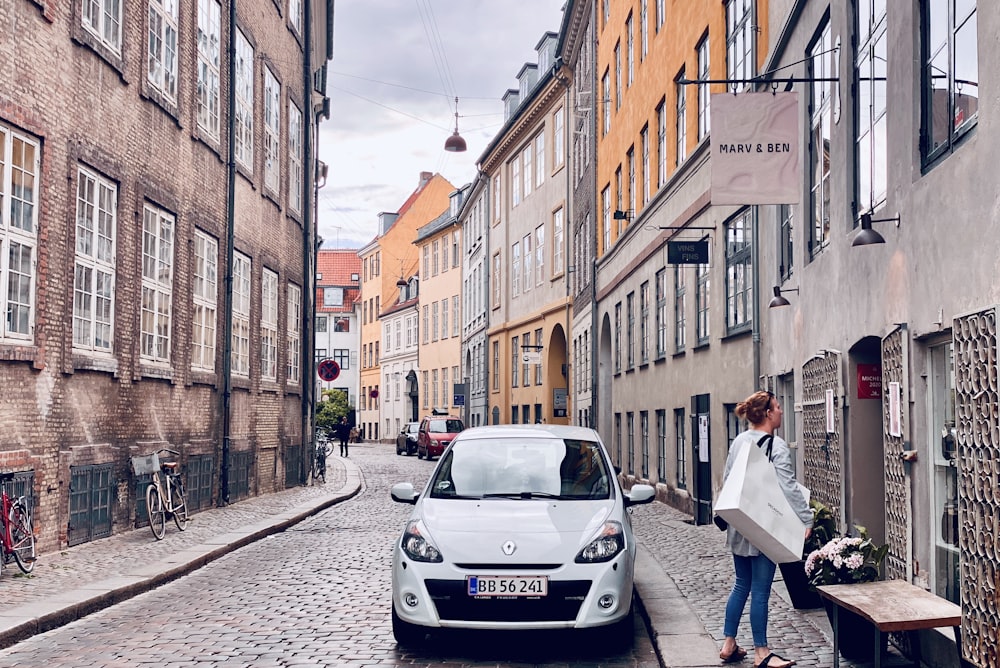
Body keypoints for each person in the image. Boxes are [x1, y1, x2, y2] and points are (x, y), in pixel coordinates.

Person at [719, 390, 812, 668]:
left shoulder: (739, 442)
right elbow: (788, 487)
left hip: (740, 523)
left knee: (740, 585)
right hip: (764, 527)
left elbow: (728, 480)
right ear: (768, 413)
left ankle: (728, 643)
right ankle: (762, 651)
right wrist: (806, 519)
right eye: (779, 407)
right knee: (760, 590)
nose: (782, 411)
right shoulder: (777, 445)